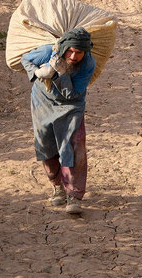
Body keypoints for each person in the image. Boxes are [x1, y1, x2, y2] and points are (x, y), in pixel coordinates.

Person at [20, 27, 96, 214]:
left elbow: (72, 94)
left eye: (78, 53)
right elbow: (25, 59)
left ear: (85, 52)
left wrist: (60, 74)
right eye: (70, 51)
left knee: (74, 144)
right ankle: (57, 187)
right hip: (43, 101)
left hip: (71, 105)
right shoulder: (48, 52)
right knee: (46, 144)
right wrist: (37, 72)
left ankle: (74, 196)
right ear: (63, 48)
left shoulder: (88, 64)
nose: (73, 56)